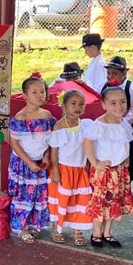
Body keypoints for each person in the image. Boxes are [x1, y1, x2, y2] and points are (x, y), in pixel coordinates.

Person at [84, 87, 133, 248]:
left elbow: (125, 141)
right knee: (101, 201)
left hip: (119, 171)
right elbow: (87, 142)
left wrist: (126, 157)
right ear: (104, 105)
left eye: (122, 102)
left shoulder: (124, 123)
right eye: (113, 103)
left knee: (115, 201)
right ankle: (97, 233)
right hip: (104, 171)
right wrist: (95, 163)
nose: (119, 106)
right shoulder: (99, 124)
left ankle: (108, 232)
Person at [8, 73, 56, 243]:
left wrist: (46, 157)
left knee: (38, 194)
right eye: (34, 92)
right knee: (23, 195)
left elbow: (50, 141)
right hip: (23, 163)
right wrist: (29, 162)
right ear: (25, 95)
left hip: (40, 162)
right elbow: (14, 144)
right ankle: (21, 227)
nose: (39, 95)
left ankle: (34, 224)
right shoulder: (20, 118)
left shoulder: (48, 116)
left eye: (42, 91)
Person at [48, 90, 93, 246]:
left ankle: (77, 228)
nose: (77, 107)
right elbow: (54, 152)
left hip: (80, 171)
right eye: (73, 104)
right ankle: (56, 227)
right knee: (61, 200)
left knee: (79, 200)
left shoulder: (87, 125)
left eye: (81, 104)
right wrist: (55, 171)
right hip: (63, 170)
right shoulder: (59, 127)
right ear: (64, 106)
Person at [100, 56, 133, 181]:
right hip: (109, 130)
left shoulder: (132, 88)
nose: (110, 76)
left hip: (127, 130)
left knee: (128, 158)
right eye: (108, 73)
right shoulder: (105, 86)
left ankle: (126, 184)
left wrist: (122, 121)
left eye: (115, 73)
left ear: (124, 73)